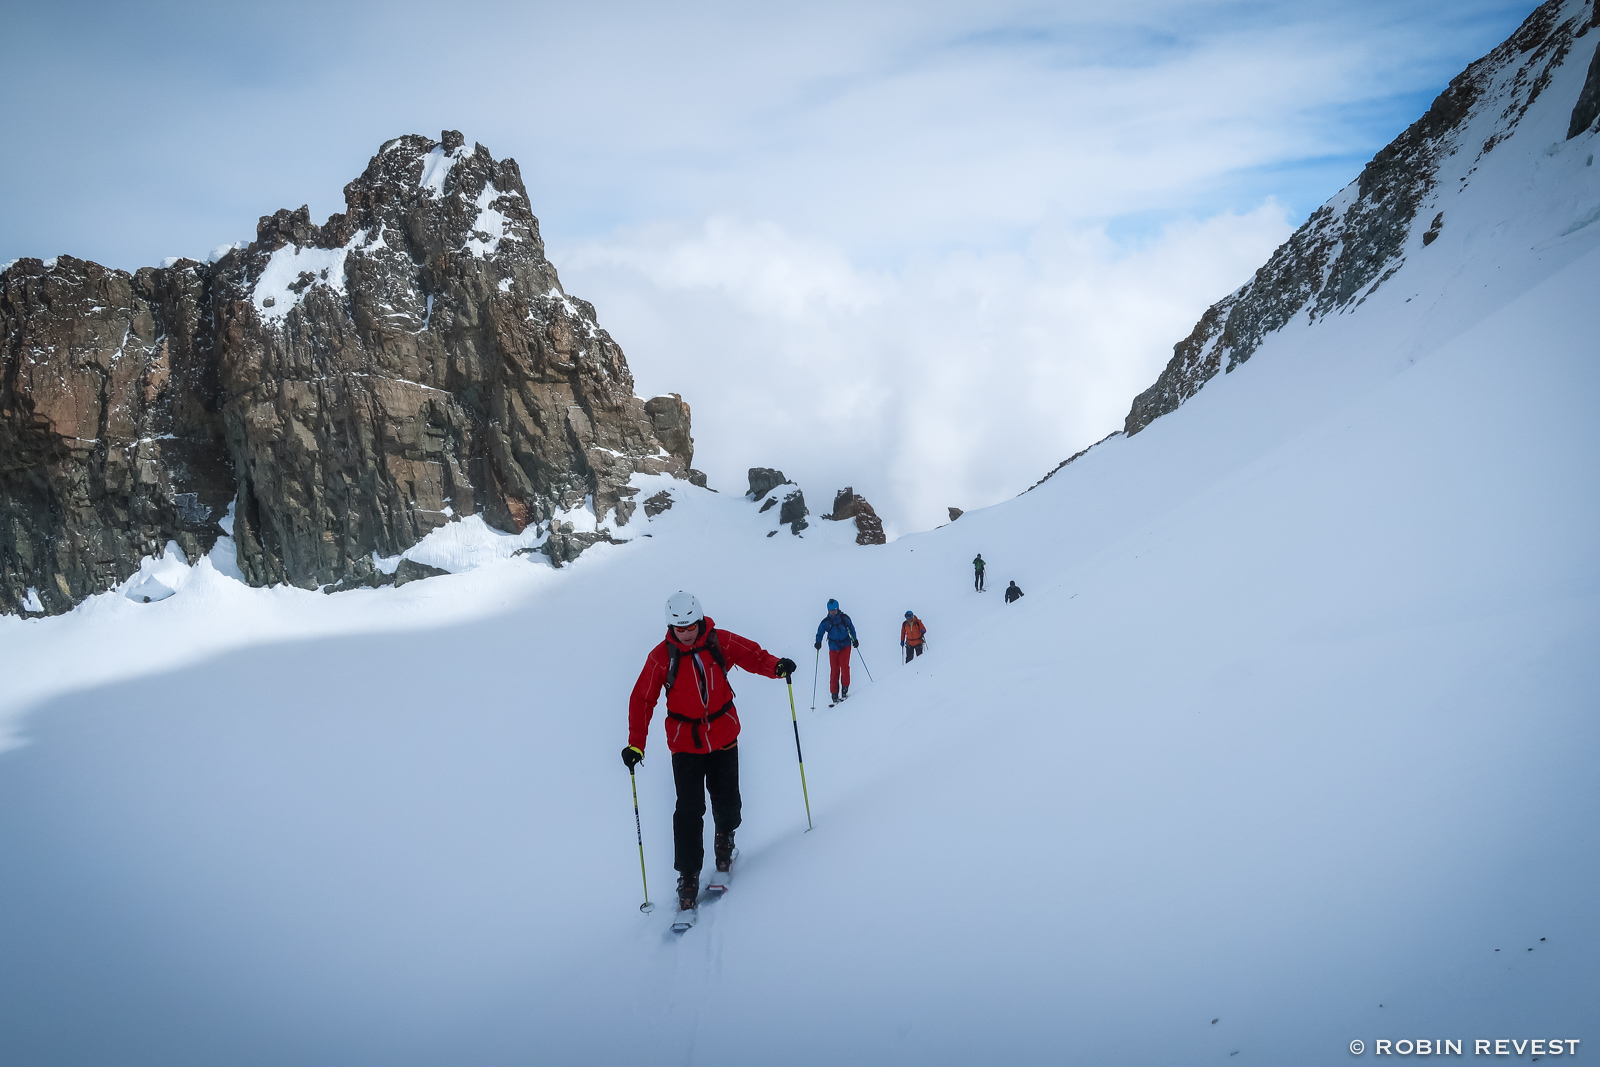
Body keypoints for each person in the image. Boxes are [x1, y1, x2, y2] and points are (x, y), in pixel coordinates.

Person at [623, 592, 796, 913]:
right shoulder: (662, 657)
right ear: (670, 627)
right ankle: (688, 875)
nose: (686, 632)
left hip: (723, 732)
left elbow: (753, 656)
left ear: (699, 619)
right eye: (679, 627)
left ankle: (725, 843)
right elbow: (642, 699)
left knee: (727, 796)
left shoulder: (719, 641)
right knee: (689, 809)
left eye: (690, 625)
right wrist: (636, 744)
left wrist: (777, 667)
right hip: (685, 743)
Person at [813, 598, 859, 703]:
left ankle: (844, 690)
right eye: (831, 610)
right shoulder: (826, 622)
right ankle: (834, 695)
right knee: (834, 670)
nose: (833, 612)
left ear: (838, 609)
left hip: (845, 645)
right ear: (828, 610)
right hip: (833, 646)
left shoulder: (844, 618)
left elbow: (851, 628)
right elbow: (820, 632)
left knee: (844, 667)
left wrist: (855, 639)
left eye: (834, 610)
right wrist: (818, 642)